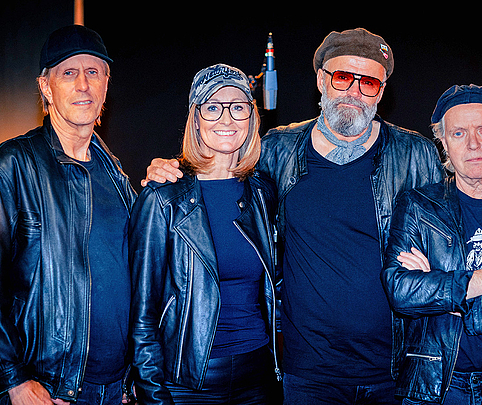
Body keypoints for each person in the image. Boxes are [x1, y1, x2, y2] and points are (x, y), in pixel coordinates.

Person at [143, 28, 444, 404]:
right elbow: (220, 169)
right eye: (342, 76)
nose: (353, 91)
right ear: (321, 80)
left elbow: (448, 245)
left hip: (394, 373)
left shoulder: (416, 155)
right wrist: (172, 168)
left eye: (368, 82)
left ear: (381, 91)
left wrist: (435, 268)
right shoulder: (277, 151)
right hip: (307, 377)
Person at [129, 63, 281, 405]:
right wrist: (152, 394)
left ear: (252, 117)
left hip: (258, 377)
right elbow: (141, 314)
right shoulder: (162, 197)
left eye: (238, 107)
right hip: (187, 383)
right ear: (195, 119)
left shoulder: (262, 193)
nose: (227, 119)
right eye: (213, 107)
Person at [0, 25, 137, 405]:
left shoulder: (118, 176)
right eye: (69, 73)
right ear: (46, 87)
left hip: (116, 390)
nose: (83, 85)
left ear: (106, 85)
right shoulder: (13, 165)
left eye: (93, 72)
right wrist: (14, 381)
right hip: (49, 391)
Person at [381, 84, 482, 405]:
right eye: (458, 133)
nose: (473, 144)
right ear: (444, 144)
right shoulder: (418, 207)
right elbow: (401, 291)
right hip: (435, 385)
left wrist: (450, 298)